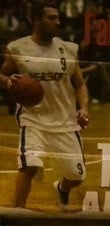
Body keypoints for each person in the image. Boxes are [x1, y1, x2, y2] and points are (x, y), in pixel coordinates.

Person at [0, 1, 89, 210]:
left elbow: (79, 84)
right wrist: (8, 82)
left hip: (65, 121)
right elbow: (3, 75)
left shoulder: (67, 49)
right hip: (33, 119)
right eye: (52, 18)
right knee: (29, 166)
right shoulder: (18, 48)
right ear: (37, 20)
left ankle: (62, 188)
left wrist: (83, 108)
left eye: (58, 18)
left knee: (77, 175)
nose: (57, 22)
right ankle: (17, 216)